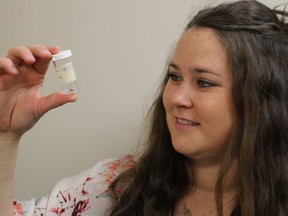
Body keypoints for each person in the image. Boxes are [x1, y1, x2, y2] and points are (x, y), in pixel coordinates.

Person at [1, 0, 288, 215]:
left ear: (259, 100)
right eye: (175, 77)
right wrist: (6, 133)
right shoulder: (114, 185)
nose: (176, 98)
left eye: (203, 83)